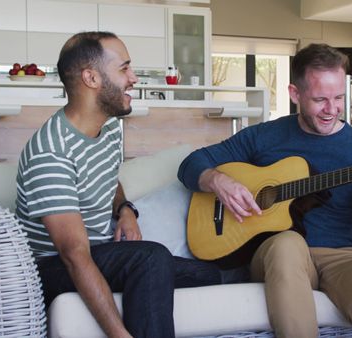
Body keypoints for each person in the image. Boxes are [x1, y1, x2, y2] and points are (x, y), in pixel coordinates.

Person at [177, 43, 352, 338]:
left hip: (343, 255)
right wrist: (217, 180)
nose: (332, 109)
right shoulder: (265, 136)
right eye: (320, 99)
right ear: (294, 94)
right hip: (278, 252)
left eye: (339, 97)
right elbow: (190, 164)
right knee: (288, 243)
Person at [16, 31, 221, 338]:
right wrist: (119, 334)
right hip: (49, 268)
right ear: (91, 78)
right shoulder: (51, 152)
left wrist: (125, 209)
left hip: (100, 252)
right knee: (150, 258)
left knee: (211, 273)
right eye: (124, 68)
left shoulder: (109, 128)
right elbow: (74, 256)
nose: (134, 78)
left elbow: (110, 180)